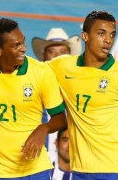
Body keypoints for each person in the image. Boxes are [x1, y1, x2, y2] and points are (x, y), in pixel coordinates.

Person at [0, 17, 67, 180]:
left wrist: (43, 128)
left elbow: (60, 118)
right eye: (16, 45)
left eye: (23, 42)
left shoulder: (41, 72)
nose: (23, 49)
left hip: (35, 170)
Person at [48, 10, 118, 180]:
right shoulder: (62, 67)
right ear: (85, 36)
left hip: (114, 169)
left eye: (112, 35)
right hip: (80, 171)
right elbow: (34, 71)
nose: (108, 40)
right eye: (101, 33)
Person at [31, 28, 82, 158]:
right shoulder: (32, 89)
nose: (57, 57)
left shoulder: (82, 91)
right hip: (38, 162)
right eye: (52, 52)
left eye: (62, 52)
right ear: (43, 57)